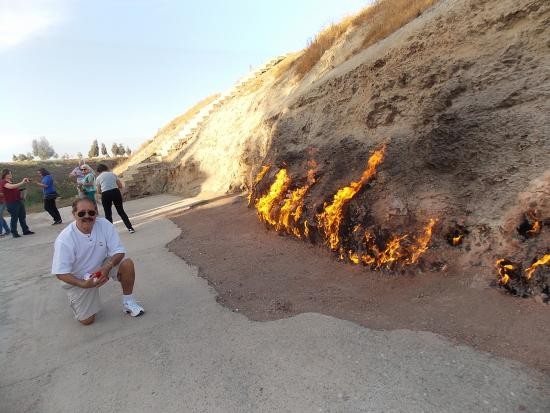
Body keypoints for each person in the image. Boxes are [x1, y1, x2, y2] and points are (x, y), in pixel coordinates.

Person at [51, 198, 145, 325]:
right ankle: (77, 300)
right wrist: (83, 284)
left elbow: (119, 251)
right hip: (78, 279)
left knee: (126, 263)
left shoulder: (104, 224)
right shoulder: (65, 239)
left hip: (101, 267)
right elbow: (60, 273)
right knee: (87, 321)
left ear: (96, 213)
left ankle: (128, 302)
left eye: (91, 212)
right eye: (81, 213)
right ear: (74, 215)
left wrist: (106, 268)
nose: (87, 216)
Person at [95, 163, 135, 233]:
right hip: (115, 192)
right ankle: (130, 228)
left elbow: (98, 191)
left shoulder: (98, 178)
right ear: (106, 168)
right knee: (121, 211)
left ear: (99, 171)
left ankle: (110, 232)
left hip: (105, 194)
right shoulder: (112, 174)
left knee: (108, 214)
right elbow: (120, 185)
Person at [0, 169, 34, 238]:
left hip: (18, 201)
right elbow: (11, 187)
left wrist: (21, 190)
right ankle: (14, 233)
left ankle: (25, 230)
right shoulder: (3, 182)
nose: (10, 174)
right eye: (9, 173)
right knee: (14, 218)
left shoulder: (10, 181)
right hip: (11, 203)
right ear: (5, 175)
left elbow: (13, 189)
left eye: (10, 173)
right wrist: (22, 182)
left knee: (22, 216)